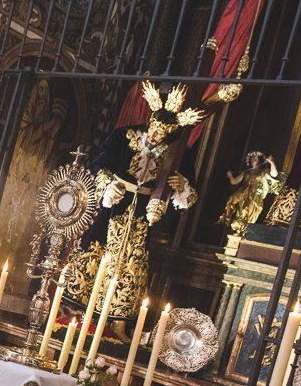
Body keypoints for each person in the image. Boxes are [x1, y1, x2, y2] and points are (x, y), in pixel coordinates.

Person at [62, 81, 205, 340]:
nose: (156, 136)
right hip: (115, 202)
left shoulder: (179, 151)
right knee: (94, 248)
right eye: (155, 129)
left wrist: (182, 185)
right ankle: (74, 308)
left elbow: (191, 190)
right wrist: (109, 183)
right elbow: (99, 163)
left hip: (142, 213)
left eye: (163, 133)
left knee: (132, 263)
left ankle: (117, 321)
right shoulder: (124, 135)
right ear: (150, 120)